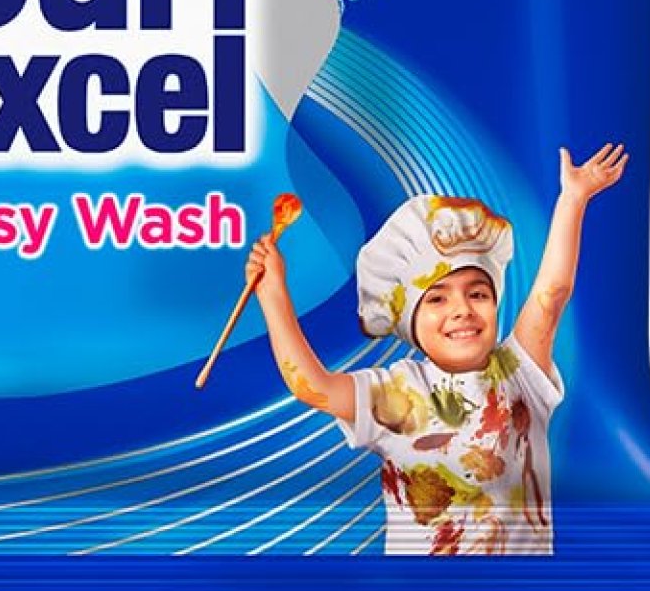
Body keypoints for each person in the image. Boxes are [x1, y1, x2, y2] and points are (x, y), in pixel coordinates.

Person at [244, 144, 627, 556]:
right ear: (410, 322)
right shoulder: (396, 392)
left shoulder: (520, 374)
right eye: (437, 299)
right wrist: (272, 293)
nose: (461, 310)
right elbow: (313, 387)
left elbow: (551, 295)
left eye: (477, 293)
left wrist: (573, 198)